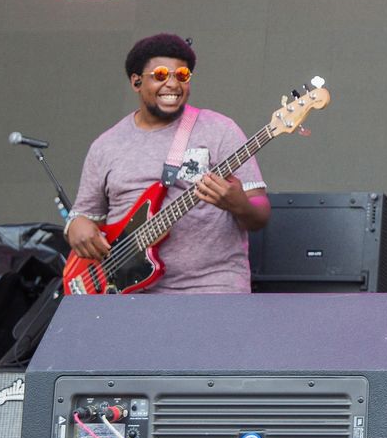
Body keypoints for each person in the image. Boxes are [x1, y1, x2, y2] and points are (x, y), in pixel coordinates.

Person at [66, 34, 270, 293]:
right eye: (161, 75)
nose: (173, 84)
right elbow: (84, 215)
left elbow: (260, 213)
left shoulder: (220, 130)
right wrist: (76, 226)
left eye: (182, 76)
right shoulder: (105, 145)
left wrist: (239, 204)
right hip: (127, 293)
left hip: (212, 287)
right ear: (136, 81)